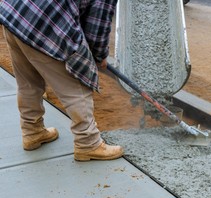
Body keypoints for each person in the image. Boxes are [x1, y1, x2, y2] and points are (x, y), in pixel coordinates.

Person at [0, 0, 123, 161]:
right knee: (76, 88)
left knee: (28, 83)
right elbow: (96, 26)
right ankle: (88, 143)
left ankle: (32, 132)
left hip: (14, 15)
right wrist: (98, 56)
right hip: (43, 24)